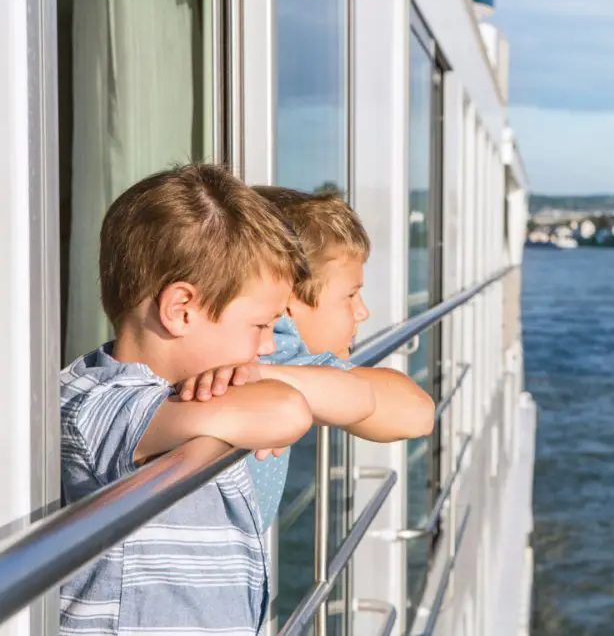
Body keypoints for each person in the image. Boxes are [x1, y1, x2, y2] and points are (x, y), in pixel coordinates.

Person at [59, 164, 375, 635]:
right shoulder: (96, 403)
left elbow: (359, 398)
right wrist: (259, 391)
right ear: (181, 310)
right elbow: (285, 412)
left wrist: (257, 380)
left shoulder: (193, 393)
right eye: (261, 325)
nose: (267, 346)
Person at [242, 185, 436, 530]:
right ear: (288, 299)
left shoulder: (261, 354)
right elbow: (417, 413)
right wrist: (267, 377)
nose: (362, 312)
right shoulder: (277, 352)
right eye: (350, 296)